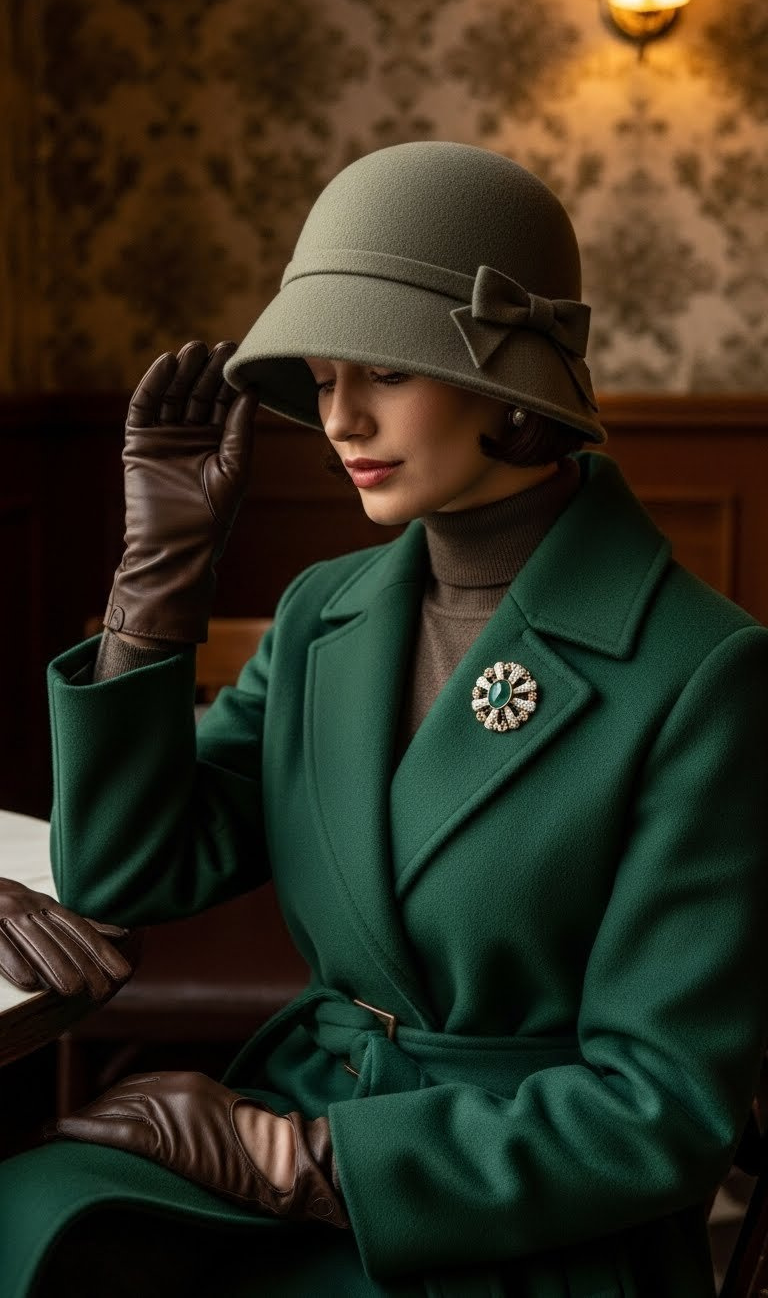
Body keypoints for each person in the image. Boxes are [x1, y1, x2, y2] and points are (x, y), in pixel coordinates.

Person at [0, 141, 766, 1297]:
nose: (341, 418)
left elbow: (657, 1112)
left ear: (513, 382)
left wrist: (301, 1163)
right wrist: (155, 585)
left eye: (387, 373)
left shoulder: (705, 671)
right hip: (304, 1119)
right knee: (27, 1221)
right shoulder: (326, 614)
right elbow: (123, 872)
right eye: (320, 378)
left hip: (517, 1211)